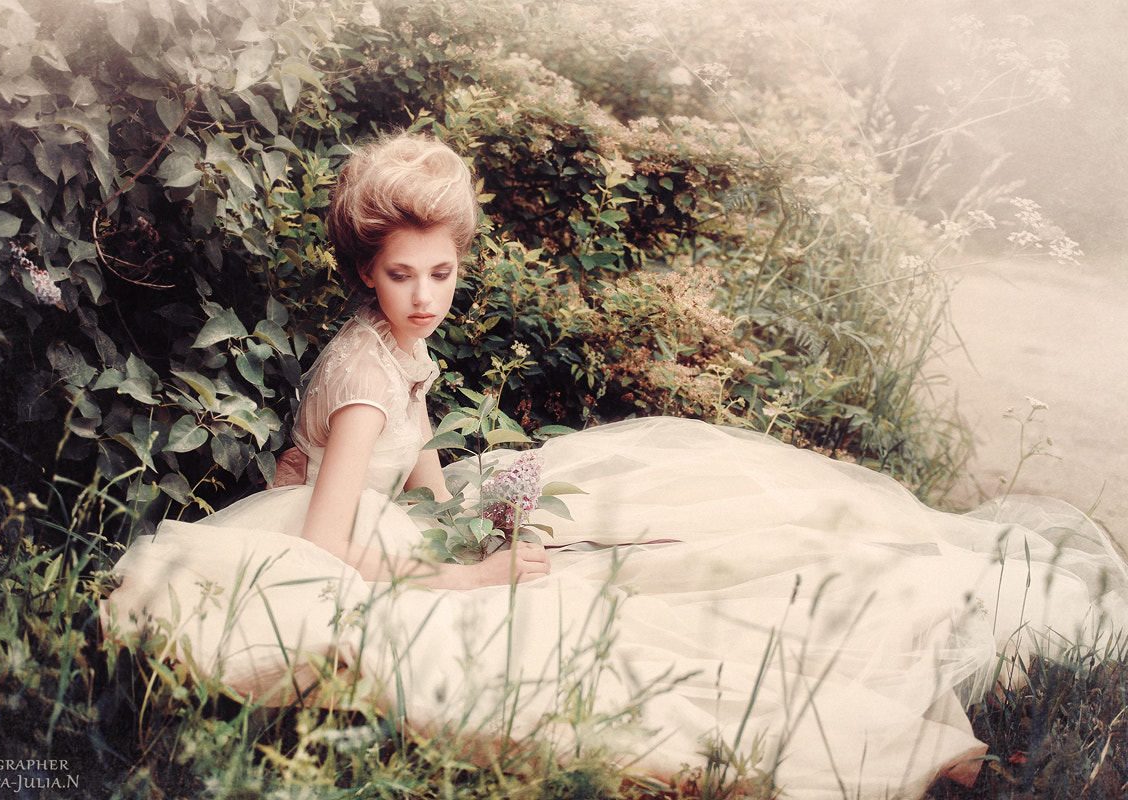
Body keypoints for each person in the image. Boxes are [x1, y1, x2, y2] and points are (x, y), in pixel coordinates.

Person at [102, 131, 1128, 799]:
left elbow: (417, 466)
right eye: (402, 274)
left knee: (606, 511)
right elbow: (324, 549)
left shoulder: (395, 345)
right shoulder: (366, 380)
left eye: (442, 272)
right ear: (366, 272)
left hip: (393, 530)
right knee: (577, 618)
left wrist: (482, 511)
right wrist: (467, 573)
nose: (425, 294)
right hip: (336, 561)